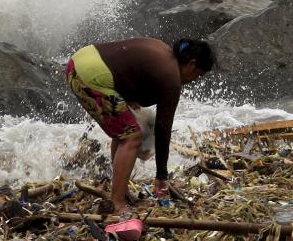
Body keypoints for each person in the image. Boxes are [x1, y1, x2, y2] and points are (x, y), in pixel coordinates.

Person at [65, 37, 216, 215]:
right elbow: (163, 127)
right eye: (198, 75)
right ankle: (118, 203)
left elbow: (126, 63)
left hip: (77, 63)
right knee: (131, 137)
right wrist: (161, 176)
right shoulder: (171, 78)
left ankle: (121, 192)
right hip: (89, 76)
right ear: (191, 64)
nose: (194, 81)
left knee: (124, 133)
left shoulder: (162, 50)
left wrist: (128, 98)